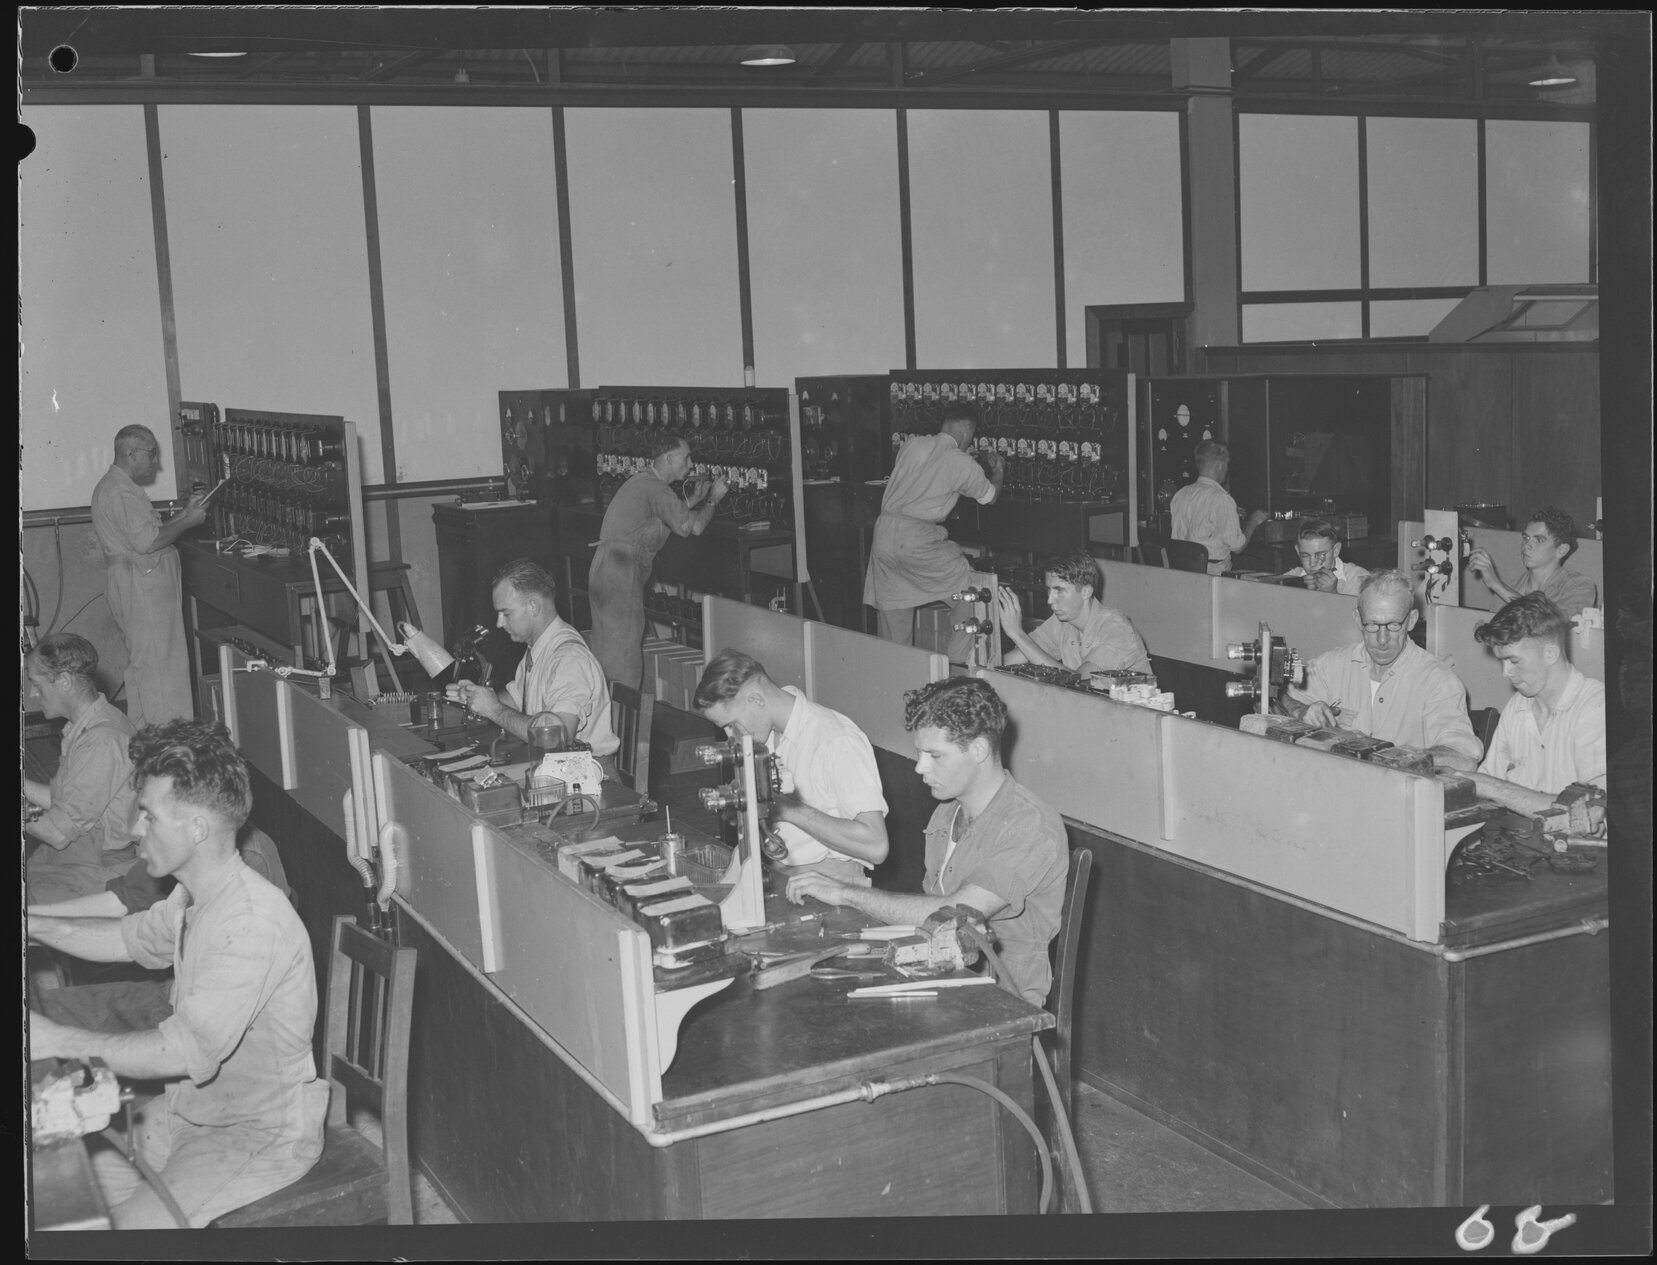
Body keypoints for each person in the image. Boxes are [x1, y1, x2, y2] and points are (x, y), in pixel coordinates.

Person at [27, 720, 327, 1229]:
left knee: (106, 1233)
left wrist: (58, 1040)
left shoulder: (250, 920)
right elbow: (126, 937)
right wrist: (32, 924)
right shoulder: (194, 896)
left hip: (254, 1134)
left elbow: (183, 1050)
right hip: (191, 1113)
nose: (134, 830)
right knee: (53, 1185)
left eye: (147, 816)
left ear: (197, 829)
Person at [784, 677, 1067, 1007]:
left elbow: (955, 913)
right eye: (919, 753)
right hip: (948, 977)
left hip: (1001, 1001)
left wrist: (845, 892)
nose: (920, 767)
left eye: (935, 755)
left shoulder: (1030, 826)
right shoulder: (947, 813)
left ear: (979, 750)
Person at [29, 824, 290, 1035]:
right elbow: (121, 916)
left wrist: (67, 1044)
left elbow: (202, 1035)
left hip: (214, 1025)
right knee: (42, 1013)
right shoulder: (183, 847)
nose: (137, 826)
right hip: (176, 995)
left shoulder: (245, 866)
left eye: (152, 812)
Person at [693, 649, 889, 887]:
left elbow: (876, 845)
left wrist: (786, 810)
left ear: (756, 700)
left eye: (731, 725)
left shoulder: (835, 738)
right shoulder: (764, 735)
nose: (730, 736)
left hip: (832, 882)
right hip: (781, 874)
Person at [1285, 569, 1483, 771]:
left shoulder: (1438, 681)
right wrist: (1300, 711)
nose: (1382, 639)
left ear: (1412, 620)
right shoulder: (1331, 665)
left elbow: (1464, 757)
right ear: (1357, 619)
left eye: (1394, 625)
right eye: (1371, 624)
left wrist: (1393, 757)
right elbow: (1280, 699)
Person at [864, 403, 1005, 662]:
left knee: (894, 614)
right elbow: (989, 497)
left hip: (885, 532)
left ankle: (896, 679)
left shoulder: (913, 445)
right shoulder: (961, 462)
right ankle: (960, 663)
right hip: (918, 538)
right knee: (973, 591)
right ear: (966, 432)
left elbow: (927, 473)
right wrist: (998, 470)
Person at [90, 425, 207, 728]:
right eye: (152, 454)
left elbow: (150, 532)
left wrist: (184, 514)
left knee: (147, 665)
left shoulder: (122, 487)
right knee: (161, 669)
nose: (157, 462)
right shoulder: (119, 492)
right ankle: (169, 746)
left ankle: (145, 741)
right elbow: (148, 542)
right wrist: (189, 523)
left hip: (140, 584)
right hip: (143, 586)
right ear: (131, 453)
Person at [588, 435, 728, 690]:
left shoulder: (643, 482)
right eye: (686, 458)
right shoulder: (655, 487)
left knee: (607, 650)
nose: (690, 463)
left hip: (604, 568)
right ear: (669, 458)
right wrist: (713, 500)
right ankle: (622, 725)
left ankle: (605, 717)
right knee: (625, 658)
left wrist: (694, 500)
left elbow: (660, 517)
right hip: (620, 573)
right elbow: (692, 527)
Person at [447, 559, 620, 760]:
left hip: (590, 777)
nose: (499, 623)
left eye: (506, 613)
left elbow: (557, 739)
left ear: (533, 607)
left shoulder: (569, 658)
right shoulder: (539, 648)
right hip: (556, 766)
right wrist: (476, 698)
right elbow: (515, 699)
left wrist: (494, 710)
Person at [23, 634, 141, 904]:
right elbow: (63, 798)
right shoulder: (92, 724)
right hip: (86, 850)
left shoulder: (101, 741)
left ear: (64, 681)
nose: (32, 694)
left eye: (36, 684)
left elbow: (57, 833)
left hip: (103, 866)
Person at [1466, 593, 1606, 814]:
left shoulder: (1596, 707)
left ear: (1550, 653)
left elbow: (1590, 810)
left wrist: (1494, 788)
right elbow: (1488, 784)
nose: (1506, 673)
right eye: (1502, 662)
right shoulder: (1517, 706)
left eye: (1513, 661)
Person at [995, 550, 1152, 675]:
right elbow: (1013, 658)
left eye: (1059, 590)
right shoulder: (1062, 622)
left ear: (1085, 592)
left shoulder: (1118, 629)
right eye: (1049, 590)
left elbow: (1077, 683)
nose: (1050, 600)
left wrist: (1017, 633)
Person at [1467, 506, 1599, 619]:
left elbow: (1551, 621)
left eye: (1539, 540)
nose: (1527, 546)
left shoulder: (1580, 586)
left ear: (1561, 550)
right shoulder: (1508, 589)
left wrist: (1496, 584)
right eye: (1526, 538)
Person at [1169, 439, 1268, 576]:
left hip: (1183, 575)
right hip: (1214, 579)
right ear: (1220, 466)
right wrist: (1253, 521)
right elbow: (1238, 547)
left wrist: (1230, 513)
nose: (1227, 469)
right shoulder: (1221, 499)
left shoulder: (1180, 494)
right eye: (1227, 464)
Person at [1282, 517, 1370, 595]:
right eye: (1305, 555)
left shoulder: (1359, 579)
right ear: (1297, 551)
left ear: (1336, 550)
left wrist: (1333, 594)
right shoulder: (1290, 579)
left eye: (1320, 555)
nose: (1312, 564)